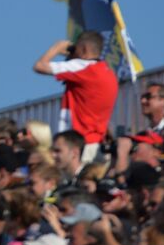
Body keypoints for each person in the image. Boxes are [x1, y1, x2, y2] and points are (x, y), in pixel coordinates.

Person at [33, 32, 118, 162]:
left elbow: (39, 66)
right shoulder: (107, 72)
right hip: (97, 144)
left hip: (78, 144)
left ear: (83, 49)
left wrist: (57, 47)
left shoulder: (82, 67)